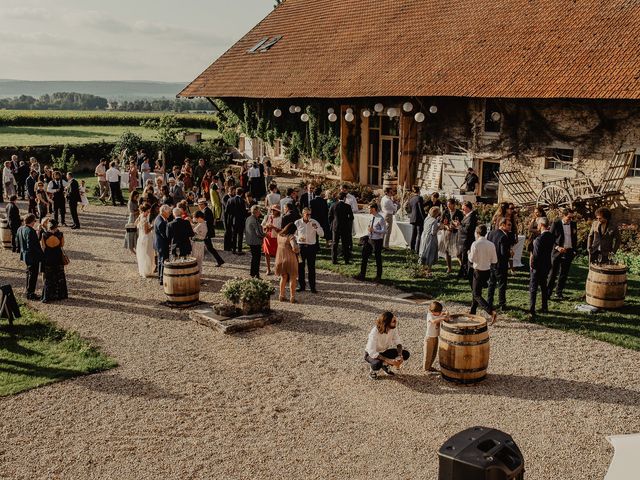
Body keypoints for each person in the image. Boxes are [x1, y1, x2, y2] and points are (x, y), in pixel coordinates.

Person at [364, 311, 410, 380]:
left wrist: (400, 355)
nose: (396, 322)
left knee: (406, 354)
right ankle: (372, 371)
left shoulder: (393, 328)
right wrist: (389, 360)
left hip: (384, 351)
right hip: (370, 354)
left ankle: (385, 365)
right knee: (377, 364)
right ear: (387, 323)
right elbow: (372, 352)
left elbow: (398, 343)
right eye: (394, 321)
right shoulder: (374, 332)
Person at [468, 225, 498, 324]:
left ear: (477, 233)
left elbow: (471, 259)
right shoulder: (491, 244)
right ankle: (472, 312)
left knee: (476, 294)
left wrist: (469, 253)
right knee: (476, 290)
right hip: (487, 271)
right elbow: (494, 260)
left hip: (478, 270)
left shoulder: (475, 244)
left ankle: (491, 311)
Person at [547, 208, 577, 300]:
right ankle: (547, 294)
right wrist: (557, 247)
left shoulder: (573, 224)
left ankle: (558, 293)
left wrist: (574, 250)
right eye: (569, 217)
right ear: (563, 216)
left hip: (569, 252)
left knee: (564, 274)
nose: (571, 219)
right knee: (553, 273)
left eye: (572, 217)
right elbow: (550, 238)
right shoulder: (556, 223)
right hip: (557, 252)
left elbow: (574, 238)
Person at [529, 218, 554, 318]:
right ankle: (544, 306)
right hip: (546, 264)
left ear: (542, 225)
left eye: (538, 224)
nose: (537, 226)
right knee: (544, 286)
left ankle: (532, 309)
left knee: (533, 288)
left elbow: (536, 255)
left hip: (538, 266)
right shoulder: (551, 236)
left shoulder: (539, 239)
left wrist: (532, 265)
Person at [355, 203, 386, 282]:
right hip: (369, 239)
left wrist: (374, 230)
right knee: (364, 256)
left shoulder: (381, 219)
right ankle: (362, 274)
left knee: (377, 258)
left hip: (377, 241)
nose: (368, 210)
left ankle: (378, 276)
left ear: (373, 209)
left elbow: (384, 231)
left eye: (369, 208)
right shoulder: (371, 217)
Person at [295, 207, 324, 293]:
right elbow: (293, 234)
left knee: (311, 268)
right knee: (300, 267)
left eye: (310, 214)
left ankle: (312, 287)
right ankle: (302, 286)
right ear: (302, 214)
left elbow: (322, 234)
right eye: (307, 214)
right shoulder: (297, 223)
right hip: (301, 248)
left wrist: (316, 228)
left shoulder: (314, 222)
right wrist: (299, 238)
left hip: (311, 248)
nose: (308, 216)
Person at [487, 216, 512, 312]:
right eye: (508, 225)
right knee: (502, 285)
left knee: (491, 284)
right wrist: (510, 253)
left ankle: (489, 302)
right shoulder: (503, 236)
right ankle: (502, 304)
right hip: (501, 264)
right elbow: (503, 253)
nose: (510, 227)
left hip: (492, 263)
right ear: (502, 225)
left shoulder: (491, 233)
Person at [40, 219, 68, 303]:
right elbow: (62, 244)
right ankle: (60, 295)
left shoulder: (44, 235)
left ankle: (48, 295)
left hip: (48, 256)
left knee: (48, 277)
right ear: (56, 227)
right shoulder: (60, 234)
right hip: (57, 255)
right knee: (59, 275)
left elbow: (43, 246)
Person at [17, 214, 44, 300]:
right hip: (32, 256)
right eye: (34, 221)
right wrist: (41, 255)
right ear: (32, 221)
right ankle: (30, 293)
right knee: (33, 275)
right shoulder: (30, 231)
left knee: (29, 273)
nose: (35, 222)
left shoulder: (20, 228)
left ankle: (28, 291)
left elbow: (17, 241)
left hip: (25, 255)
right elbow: (31, 246)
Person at [275, 223, 300, 303]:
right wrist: (298, 249)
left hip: (280, 259)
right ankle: (292, 297)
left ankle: (281, 295)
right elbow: (295, 248)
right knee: (293, 278)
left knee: (283, 277)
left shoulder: (279, 235)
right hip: (290, 259)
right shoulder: (291, 237)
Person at [197, 198, 225, 267]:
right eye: (199, 204)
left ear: (204, 204)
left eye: (200, 205)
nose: (199, 206)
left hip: (207, 232)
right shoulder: (205, 210)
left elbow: (207, 222)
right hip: (206, 232)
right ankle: (220, 260)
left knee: (210, 248)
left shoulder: (207, 211)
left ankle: (219, 260)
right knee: (209, 247)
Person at [329, 191, 354, 264]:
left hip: (335, 226)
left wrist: (332, 224)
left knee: (334, 243)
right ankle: (346, 260)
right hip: (345, 227)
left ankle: (334, 260)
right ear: (344, 198)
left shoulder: (333, 205)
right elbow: (351, 217)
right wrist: (347, 222)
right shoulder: (348, 206)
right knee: (345, 244)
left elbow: (330, 216)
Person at [440, 199, 463, 273]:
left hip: (456, 234)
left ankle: (463, 268)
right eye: (447, 204)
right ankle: (449, 268)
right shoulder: (445, 212)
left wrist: (456, 226)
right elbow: (441, 223)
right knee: (447, 251)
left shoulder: (459, 213)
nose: (448, 206)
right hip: (446, 233)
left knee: (458, 252)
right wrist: (446, 227)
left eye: (450, 204)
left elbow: (462, 224)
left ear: (454, 204)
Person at [456, 201, 478, 281]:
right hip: (462, 240)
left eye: (463, 208)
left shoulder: (471, 217)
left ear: (468, 208)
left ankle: (465, 274)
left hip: (466, 240)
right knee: (462, 256)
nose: (462, 210)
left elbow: (467, 230)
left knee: (465, 258)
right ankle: (463, 272)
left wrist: (459, 226)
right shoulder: (467, 216)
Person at [423, 301, 446, 373]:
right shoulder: (430, 315)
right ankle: (426, 368)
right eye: (438, 312)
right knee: (428, 354)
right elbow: (433, 321)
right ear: (433, 311)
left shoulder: (437, 314)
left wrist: (444, 314)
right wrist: (442, 318)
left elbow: (442, 315)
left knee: (434, 353)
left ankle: (429, 366)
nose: (440, 313)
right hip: (429, 338)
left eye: (440, 311)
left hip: (435, 337)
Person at [418, 206, 441, 276]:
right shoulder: (434, 221)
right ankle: (428, 270)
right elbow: (433, 232)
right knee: (430, 252)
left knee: (423, 251)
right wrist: (439, 227)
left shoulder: (427, 218)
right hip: (431, 239)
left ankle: (422, 268)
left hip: (424, 236)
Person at [244, 205, 265, 278]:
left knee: (254, 258)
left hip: (250, 240)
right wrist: (265, 235)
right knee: (257, 258)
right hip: (255, 242)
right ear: (256, 212)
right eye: (259, 211)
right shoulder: (254, 220)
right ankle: (256, 274)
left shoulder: (248, 218)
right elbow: (258, 233)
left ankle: (253, 273)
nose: (260, 213)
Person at [226, 187, 249, 255]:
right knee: (240, 235)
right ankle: (239, 250)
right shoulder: (242, 200)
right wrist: (247, 211)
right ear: (242, 193)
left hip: (233, 220)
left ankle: (233, 249)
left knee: (234, 235)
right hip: (240, 220)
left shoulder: (230, 200)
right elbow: (244, 212)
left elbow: (227, 211)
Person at [135, 204, 156, 278]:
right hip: (146, 238)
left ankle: (143, 270)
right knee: (148, 254)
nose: (148, 213)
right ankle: (147, 271)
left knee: (143, 254)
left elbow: (135, 224)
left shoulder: (140, 216)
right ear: (144, 211)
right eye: (147, 211)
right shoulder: (144, 219)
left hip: (141, 238)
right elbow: (146, 231)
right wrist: (153, 226)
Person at [154, 205, 172, 284]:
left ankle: (160, 276)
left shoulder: (160, 218)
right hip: (162, 243)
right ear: (164, 212)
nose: (170, 214)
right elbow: (165, 235)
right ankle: (162, 279)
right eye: (169, 212)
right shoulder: (161, 222)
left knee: (160, 260)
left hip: (159, 243)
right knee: (163, 260)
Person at [262, 205, 282, 275]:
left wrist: (273, 227)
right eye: (272, 210)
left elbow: (281, 231)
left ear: (278, 211)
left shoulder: (281, 219)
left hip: (276, 238)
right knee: (266, 253)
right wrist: (266, 227)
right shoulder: (267, 217)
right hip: (267, 237)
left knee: (278, 255)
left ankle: (277, 270)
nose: (272, 211)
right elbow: (262, 226)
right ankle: (268, 269)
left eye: (274, 210)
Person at [408, 186, 426, 253]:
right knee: (419, 235)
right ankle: (417, 250)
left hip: (413, 218)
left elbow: (409, 209)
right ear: (419, 191)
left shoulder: (411, 198)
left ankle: (412, 248)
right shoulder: (419, 198)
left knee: (413, 234)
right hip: (419, 219)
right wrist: (424, 218)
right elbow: (421, 209)